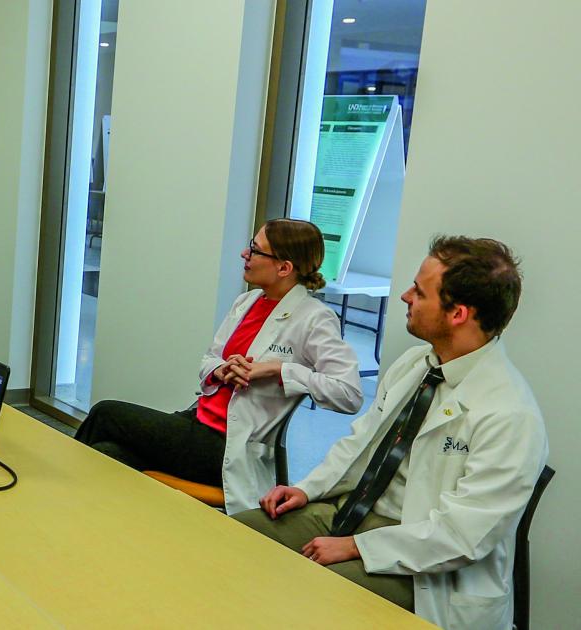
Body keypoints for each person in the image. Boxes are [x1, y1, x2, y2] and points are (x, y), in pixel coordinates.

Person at [233, 236, 548, 629]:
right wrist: (307, 488)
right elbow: (359, 442)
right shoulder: (417, 364)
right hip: (349, 512)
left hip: (426, 563)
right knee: (239, 537)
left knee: (312, 596)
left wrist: (356, 547)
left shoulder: (510, 415)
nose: (404, 296)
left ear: (458, 314)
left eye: (419, 291)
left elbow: (462, 537)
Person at [75, 219, 363, 514]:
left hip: (227, 447)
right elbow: (209, 360)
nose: (244, 254)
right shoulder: (247, 302)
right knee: (108, 454)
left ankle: (61, 507)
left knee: (106, 414)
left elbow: (349, 393)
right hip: (197, 422)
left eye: (255, 250)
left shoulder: (314, 318)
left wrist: (278, 370)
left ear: (284, 268)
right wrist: (221, 369)